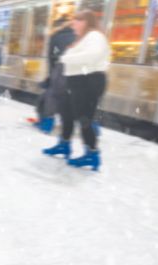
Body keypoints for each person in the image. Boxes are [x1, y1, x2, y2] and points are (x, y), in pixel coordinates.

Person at [42, 10, 110, 170]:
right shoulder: (83, 38)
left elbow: (92, 56)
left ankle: (92, 154)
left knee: (83, 118)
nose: (74, 24)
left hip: (89, 81)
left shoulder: (95, 36)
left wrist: (66, 58)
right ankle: (64, 144)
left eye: (78, 21)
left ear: (87, 22)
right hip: (77, 82)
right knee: (67, 113)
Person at [34, 15, 76, 133]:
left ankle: (47, 124)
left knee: (51, 97)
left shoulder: (56, 36)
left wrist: (52, 74)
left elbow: (51, 57)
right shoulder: (80, 37)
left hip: (61, 68)